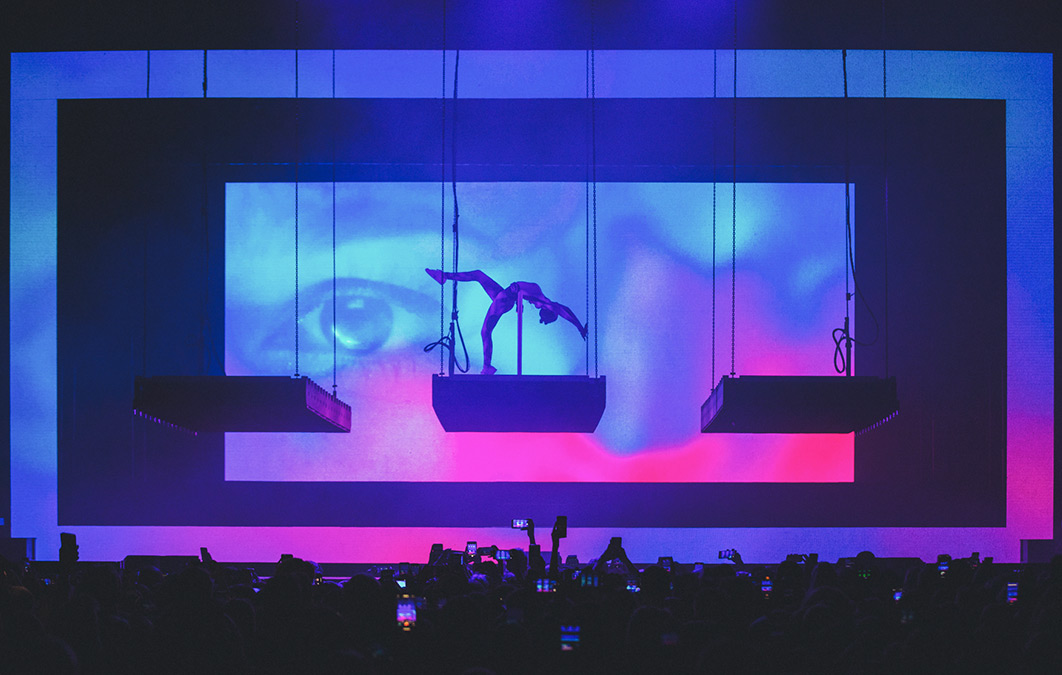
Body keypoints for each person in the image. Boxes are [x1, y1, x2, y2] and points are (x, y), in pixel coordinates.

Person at [426, 268, 587, 374]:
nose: (541, 320)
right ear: (549, 313)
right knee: (478, 275)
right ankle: (444, 276)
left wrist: (518, 297)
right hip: (505, 297)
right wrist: (579, 327)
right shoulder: (545, 303)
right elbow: (565, 311)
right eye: (544, 320)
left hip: (506, 299)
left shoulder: (541, 300)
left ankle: (487, 366)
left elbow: (564, 310)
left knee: (486, 331)